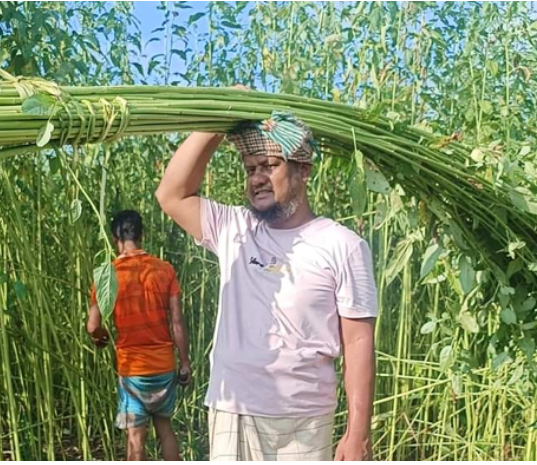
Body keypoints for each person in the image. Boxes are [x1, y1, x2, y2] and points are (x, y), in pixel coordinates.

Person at [155, 98, 378, 461]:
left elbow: (357, 343)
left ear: (303, 170)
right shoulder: (235, 229)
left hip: (304, 419)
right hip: (233, 408)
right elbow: (171, 194)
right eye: (250, 168)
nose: (257, 177)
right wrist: (224, 109)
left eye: (270, 166)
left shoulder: (343, 245)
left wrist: (358, 434)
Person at [86, 210, 192, 461]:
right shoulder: (164, 270)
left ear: (115, 239)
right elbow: (177, 322)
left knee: (135, 438)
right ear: (142, 235)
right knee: (165, 429)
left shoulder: (107, 275)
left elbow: (93, 326)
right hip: (164, 366)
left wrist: (100, 338)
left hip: (132, 369)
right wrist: (185, 363)